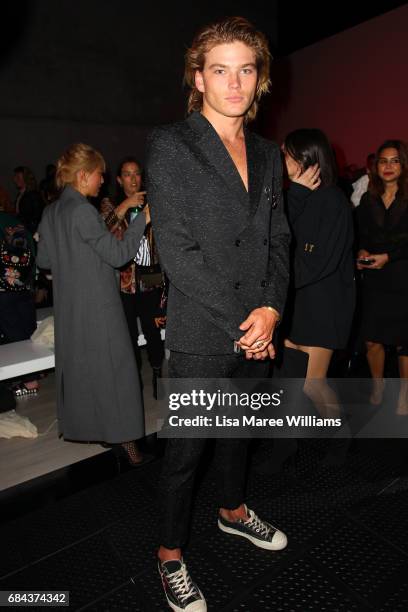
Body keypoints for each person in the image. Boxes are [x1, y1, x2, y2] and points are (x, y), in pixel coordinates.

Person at [147, 17, 290, 611]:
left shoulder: (266, 153)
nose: (234, 83)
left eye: (246, 70)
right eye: (220, 70)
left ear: (259, 80)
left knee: (238, 436)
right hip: (205, 331)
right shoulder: (171, 145)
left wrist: (273, 311)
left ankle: (233, 511)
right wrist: (247, 321)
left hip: (258, 325)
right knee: (186, 453)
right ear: (199, 78)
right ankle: (170, 556)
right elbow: (177, 253)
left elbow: (279, 238)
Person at [36, 143, 150, 461]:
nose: (103, 181)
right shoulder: (83, 210)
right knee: (117, 374)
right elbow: (118, 255)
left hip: (71, 309)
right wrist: (144, 220)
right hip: (100, 307)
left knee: (86, 373)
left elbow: (44, 260)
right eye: (100, 175)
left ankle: (99, 432)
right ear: (84, 175)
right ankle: (127, 444)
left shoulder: (51, 211)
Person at [282, 129, 355, 381]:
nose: (281, 158)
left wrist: (278, 280)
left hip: (322, 304)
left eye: (286, 154)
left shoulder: (333, 200)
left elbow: (318, 261)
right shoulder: (294, 195)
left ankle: (338, 423)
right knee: (292, 383)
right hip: (296, 303)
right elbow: (276, 236)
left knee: (312, 387)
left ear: (304, 158)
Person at [100, 157, 165, 396]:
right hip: (124, 280)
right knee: (127, 333)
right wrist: (127, 204)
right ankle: (133, 379)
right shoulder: (110, 203)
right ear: (119, 179)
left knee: (152, 329)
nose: (133, 178)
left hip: (151, 276)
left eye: (136, 173)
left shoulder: (154, 200)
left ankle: (158, 372)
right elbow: (103, 229)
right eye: (127, 174)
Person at [356, 140, 408, 413]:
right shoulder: (368, 198)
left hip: (403, 278)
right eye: (383, 161)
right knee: (372, 338)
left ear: (404, 164)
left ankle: (404, 394)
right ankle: (378, 385)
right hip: (375, 280)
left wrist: (388, 257)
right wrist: (362, 251)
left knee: (404, 341)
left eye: (394, 160)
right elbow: (362, 234)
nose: (388, 166)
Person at [13, 166, 43, 234]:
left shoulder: (33, 195)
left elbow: (37, 217)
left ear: (26, 179)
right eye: (15, 177)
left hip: (31, 232)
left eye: (18, 177)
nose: (14, 180)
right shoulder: (20, 194)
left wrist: (25, 227)